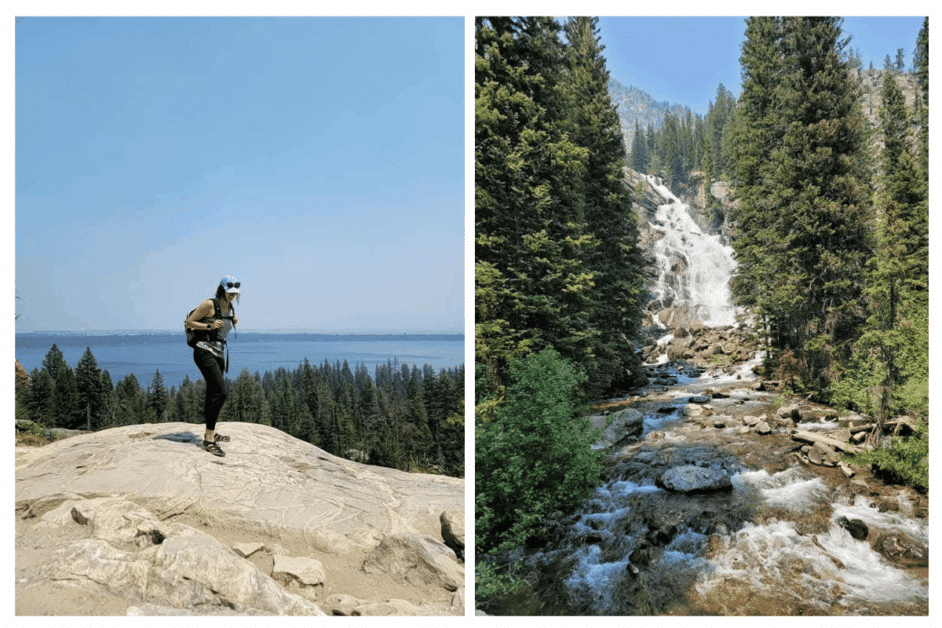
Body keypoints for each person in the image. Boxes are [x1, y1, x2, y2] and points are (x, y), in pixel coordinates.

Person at [185, 275, 240, 456]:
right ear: (222, 290)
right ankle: (209, 440)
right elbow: (188, 323)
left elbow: (222, 330)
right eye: (229, 292)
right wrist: (209, 327)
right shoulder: (210, 304)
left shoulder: (229, 307)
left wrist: (232, 321)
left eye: (235, 293)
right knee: (220, 392)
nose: (232, 295)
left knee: (212, 393)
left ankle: (211, 432)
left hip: (219, 354)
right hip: (204, 351)